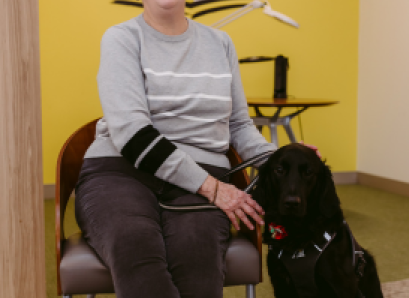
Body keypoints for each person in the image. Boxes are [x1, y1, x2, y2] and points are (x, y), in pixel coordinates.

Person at [75, 0, 320, 297]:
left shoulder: (220, 43)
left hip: (203, 177)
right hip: (122, 173)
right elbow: (131, 133)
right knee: (133, 242)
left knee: (198, 253)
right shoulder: (121, 38)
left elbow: (239, 126)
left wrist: (285, 158)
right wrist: (214, 189)